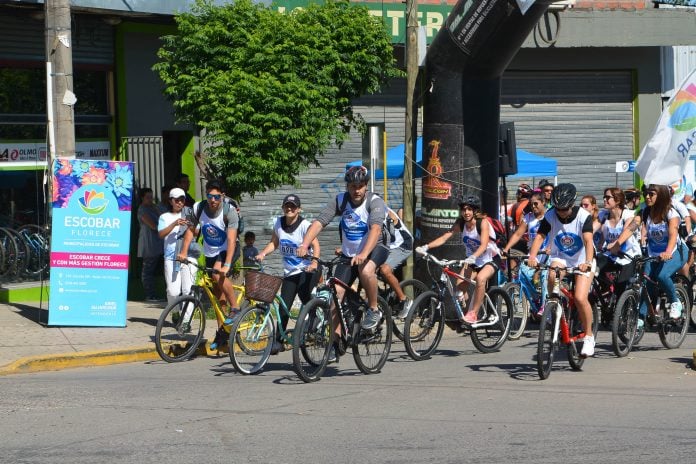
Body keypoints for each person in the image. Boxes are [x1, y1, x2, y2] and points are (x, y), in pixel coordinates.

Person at [296, 166, 388, 335]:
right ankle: (336, 342)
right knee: (335, 298)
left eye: (360, 186)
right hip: (348, 254)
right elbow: (319, 222)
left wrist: (363, 254)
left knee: (366, 270)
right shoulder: (340, 200)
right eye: (352, 186)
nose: (356, 190)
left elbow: (375, 230)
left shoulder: (375, 201)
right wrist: (304, 244)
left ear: (366, 185)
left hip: (375, 248)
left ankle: (374, 309)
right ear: (347, 186)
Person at [528, 183, 596, 358]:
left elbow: (588, 242)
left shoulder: (584, 216)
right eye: (558, 208)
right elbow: (540, 237)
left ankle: (588, 336)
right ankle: (554, 304)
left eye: (564, 209)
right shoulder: (551, 215)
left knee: (580, 297)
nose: (561, 212)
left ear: (572, 204)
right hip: (561, 257)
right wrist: (532, 256)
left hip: (582, 259)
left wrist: (587, 262)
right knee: (552, 273)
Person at [416, 196, 502, 325]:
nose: (466, 212)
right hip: (472, 261)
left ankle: (473, 313)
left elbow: (484, 245)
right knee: (460, 286)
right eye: (463, 209)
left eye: (469, 209)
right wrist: (426, 247)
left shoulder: (482, 222)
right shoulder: (460, 223)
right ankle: (468, 313)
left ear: (475, 211)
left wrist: (473, 256)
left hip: (490, 258)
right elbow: (445, 237)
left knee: (480, 279)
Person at [178, 180, 241, 347]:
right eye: (209, 196)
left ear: (222, 196)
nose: (212, 200)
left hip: (229, 249)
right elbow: (191, 230)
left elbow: (231, 239)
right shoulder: (199, 208)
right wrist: (183, 252)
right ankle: (222, 333)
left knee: (216, 273)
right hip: (210, 252)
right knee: (217, 294)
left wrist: (227, 265)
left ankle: (235, 308)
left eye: (216, 196)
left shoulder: (229, 211)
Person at [256, 194, 321, 354]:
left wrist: (314, 262)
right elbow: (274, 242)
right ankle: (278, 341)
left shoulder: (305, 225)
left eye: (293, 206)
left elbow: (316, 245)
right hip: (290, 272)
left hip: (308, 269)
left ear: (299, 209)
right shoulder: (278, 223)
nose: (289, 209)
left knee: (304, 293)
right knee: (283, 307)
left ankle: (315, 315)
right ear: (283, 207)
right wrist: (263, 253)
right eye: (287, 206)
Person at [639, 184, 688, 326]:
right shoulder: (645, 212)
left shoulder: (671, 213)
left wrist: (667, 252)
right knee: (645, 281)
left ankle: (675, 302)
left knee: (662, 276)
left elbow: (673, 235)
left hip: (675, 251)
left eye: (651, 194)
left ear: (660, 196)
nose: (647, 197)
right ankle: (640, 318)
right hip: (653, 253)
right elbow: (638, 227)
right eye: (646, 194)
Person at [502, 192, 549, 314]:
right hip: (533, 253)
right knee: (522, 274)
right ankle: (536, 298)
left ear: (543, 202)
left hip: (548, 253)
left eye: (536, 203)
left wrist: (550, 248)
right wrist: (506, 249)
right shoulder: (528, 217)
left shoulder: (550, 216)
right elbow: (518, 234)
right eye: (531, 204)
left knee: (545, 276)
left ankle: (545, 305)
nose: (533, 207)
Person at [158, 187, 198, 306]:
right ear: (171, 201)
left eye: (182, 199)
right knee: (173, 291)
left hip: (189, 255)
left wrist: (191, 226)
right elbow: (161, 234)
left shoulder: (189, 213)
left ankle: (186, 321)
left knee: (188, 290)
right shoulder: (164, 217)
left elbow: (196, 233)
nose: (180, 202)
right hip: (171, 257)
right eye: (177, 200)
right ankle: (174, 311)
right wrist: (175, 224)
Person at [382, 206, 415, 320]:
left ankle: (403, 299)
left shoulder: (384, 212)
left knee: (385, 270)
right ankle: (381, 298)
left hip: (402, 245)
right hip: (387, 246)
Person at [137, 187, 165, 302]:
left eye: (151, 197)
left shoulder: (153, 208)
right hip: (149, 243)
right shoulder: (142, 210)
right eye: (148, 197)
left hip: (158, 243)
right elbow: (153, 225)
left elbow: (163, 218)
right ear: (142, 198)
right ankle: (150, 295)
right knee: (148, 270)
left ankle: (157, 294)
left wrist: (156, 208)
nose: (150, 200)